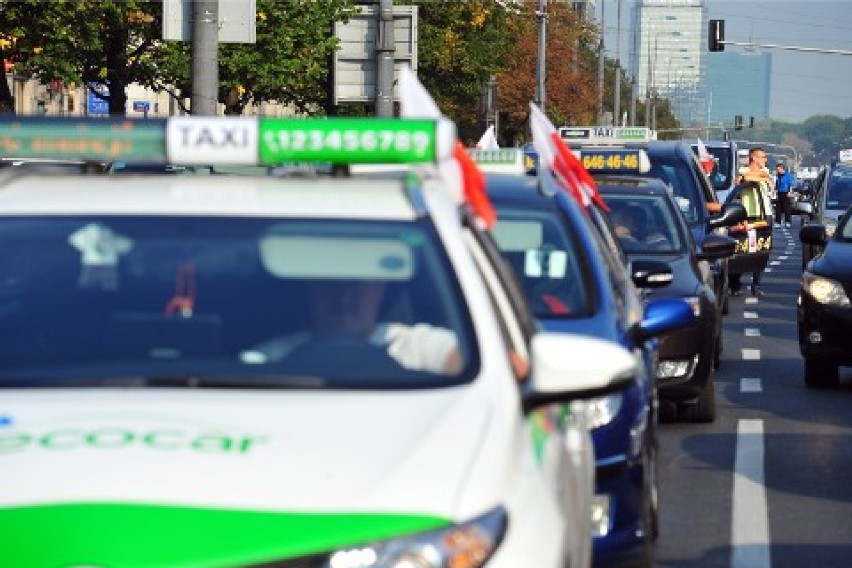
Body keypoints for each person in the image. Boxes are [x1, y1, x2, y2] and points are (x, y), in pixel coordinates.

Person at [243, 279, 461, 374]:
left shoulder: (419, 346)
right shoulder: (271, 357)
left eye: (356, 285)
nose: (344, 297)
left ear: (380, 289)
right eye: (331, 285)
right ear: (312, 291)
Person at [731, 147, 773, 297]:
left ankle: (757, 285)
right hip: (747, 216)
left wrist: (764, 178)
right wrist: (761, 178)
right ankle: (735, 285)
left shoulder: (765, 171)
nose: (765, 160)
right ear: (754, 158)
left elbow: (763, 175)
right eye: (763, 157)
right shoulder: (743, 170)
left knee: (762, 251)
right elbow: (747, 178)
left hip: (765, 215)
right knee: (742, 249)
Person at [774, 162, 795, 228]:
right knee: (778, 208)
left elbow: (791, 185)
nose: (777, 171)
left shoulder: (788, 175)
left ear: (782, 169)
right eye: (777, 169)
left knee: (786, 208)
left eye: (778, 169)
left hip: (786, 193)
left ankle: (788, 222)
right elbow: (777, 184)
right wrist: (775, 191)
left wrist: (790, 192)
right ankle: (778, 222)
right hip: (779, 193)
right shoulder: (778, 175)